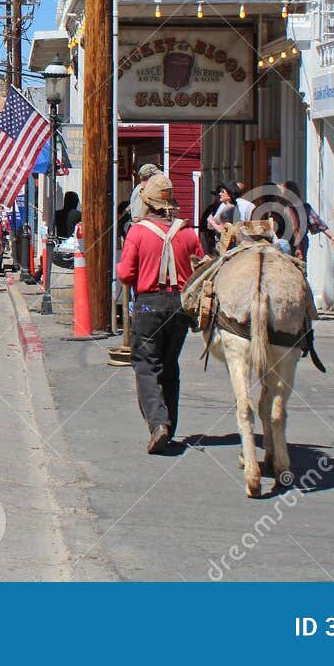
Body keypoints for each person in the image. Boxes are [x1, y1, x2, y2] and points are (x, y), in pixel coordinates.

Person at [116, 172, 205, 455]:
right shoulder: (188, 233)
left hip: (148, 304)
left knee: (146, 364)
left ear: (148, 203)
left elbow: (126, 273)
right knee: (170, 364)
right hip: (179, 304)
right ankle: (169, 426)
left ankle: (158, 424)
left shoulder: (138, 232)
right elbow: (200, 269)